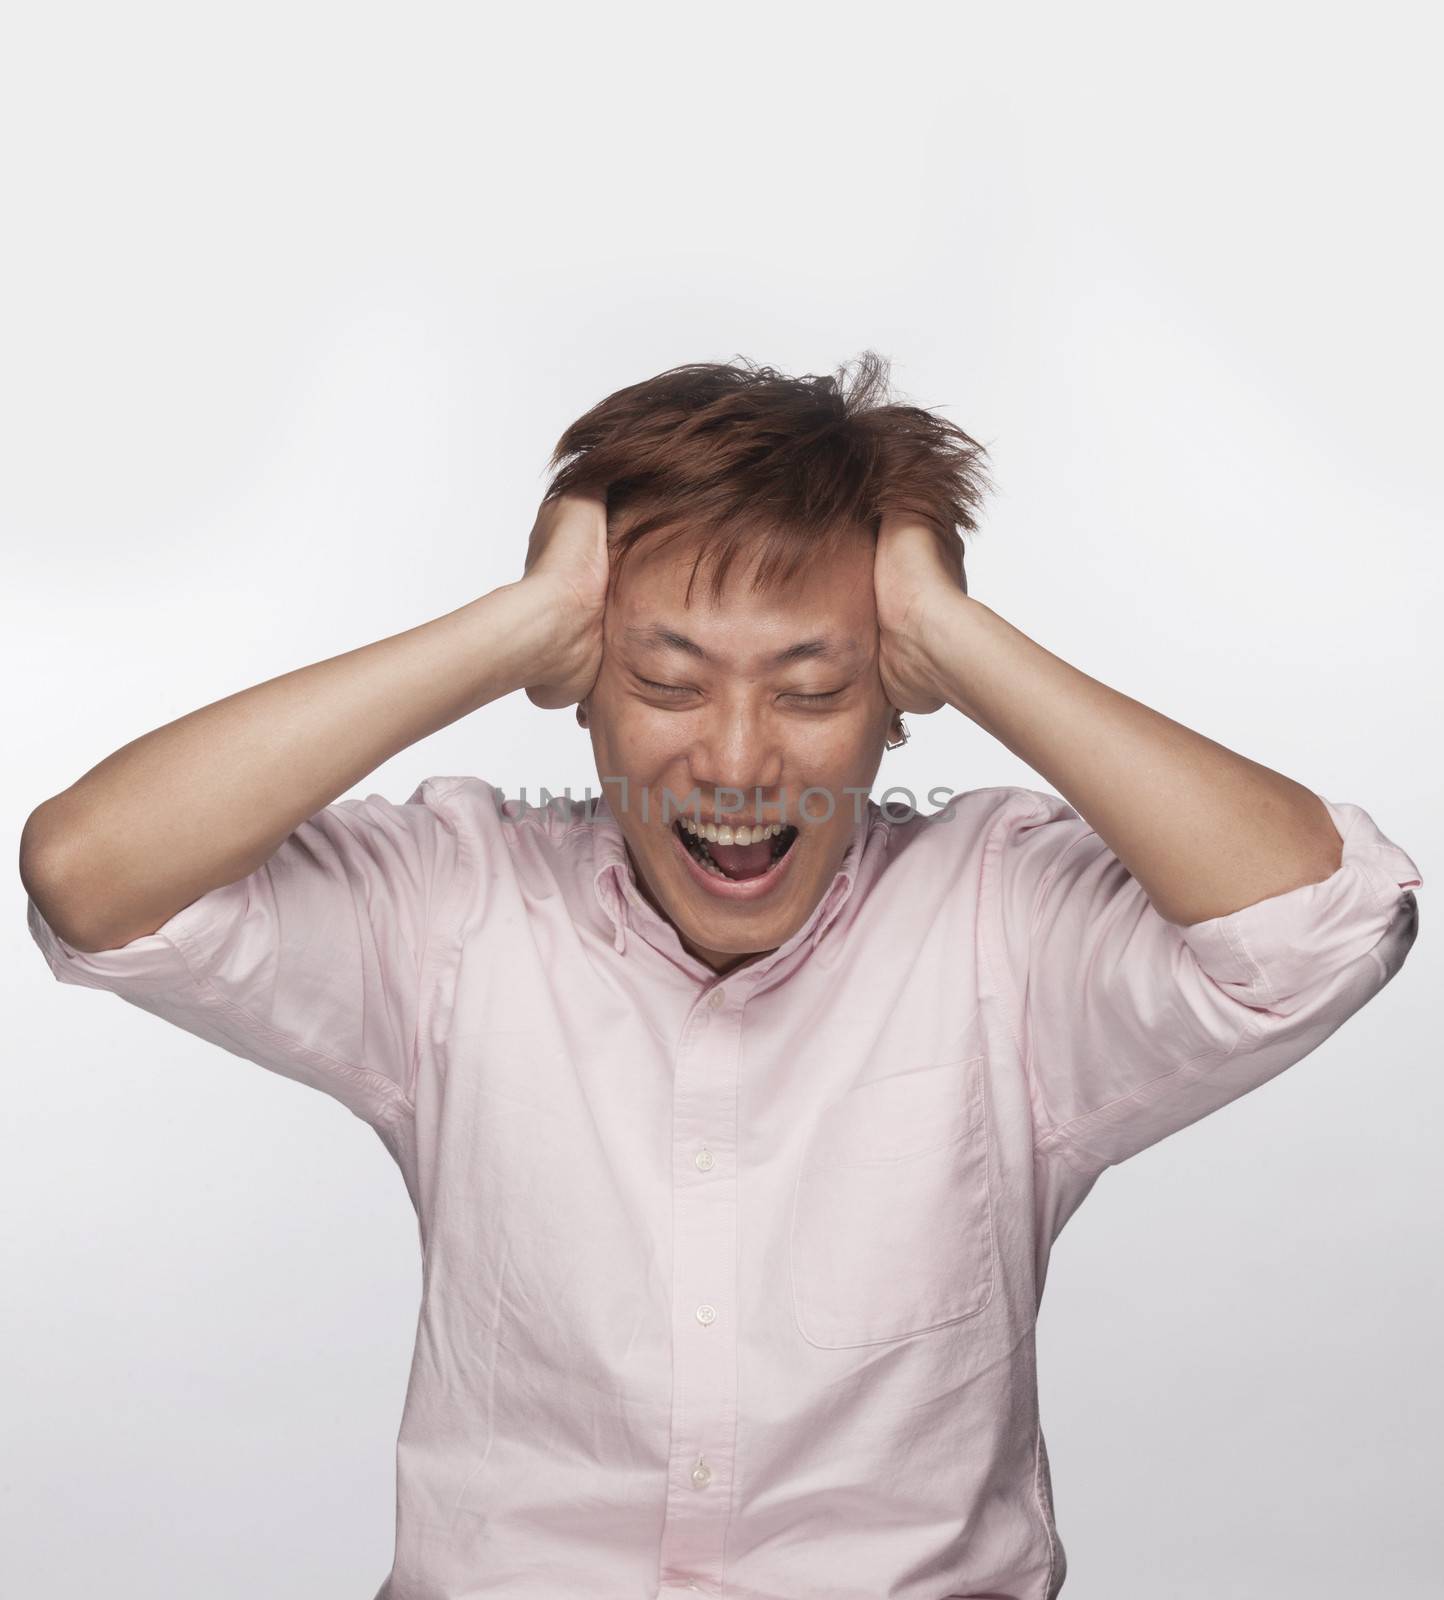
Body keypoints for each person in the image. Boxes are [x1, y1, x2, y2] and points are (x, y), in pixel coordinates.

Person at [20, 352, 1422, 1599]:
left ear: (895, 697)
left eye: (813, 690)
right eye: (670, 681)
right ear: (581, 677)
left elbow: (1321, 928)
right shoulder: (455, 908)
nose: (742, 764)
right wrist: (514, 627)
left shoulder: (1003, 920)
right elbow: (92, 873)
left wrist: (956, 637)